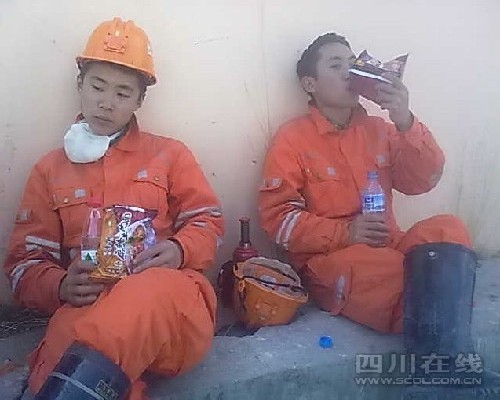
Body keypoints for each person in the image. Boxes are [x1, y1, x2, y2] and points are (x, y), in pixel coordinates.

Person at [2, 18, 224, 400]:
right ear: (80, 85)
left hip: (169, 308)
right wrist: (60, 285)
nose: (107, 102)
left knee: (135, 303)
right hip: (89, 309)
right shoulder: (49, 170)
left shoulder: (170, 154)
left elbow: (208, 221)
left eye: (123, 93)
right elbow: (24, 263)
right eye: (97, 86)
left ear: (139, 101)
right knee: (60, 364)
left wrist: (180, 250)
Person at [258, 32, 471, 334]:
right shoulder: (291, 139)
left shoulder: (379, 128)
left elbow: (422, 181)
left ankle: (440, 326)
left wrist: (405, 120)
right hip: (333, 259)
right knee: (407, 276)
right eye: (335, 65)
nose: (348, 72)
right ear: (310, 84)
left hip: (390, 243)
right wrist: (346, 233)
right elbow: (278, 221)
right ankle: (441, 338)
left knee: (450, 231)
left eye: (352, 63)